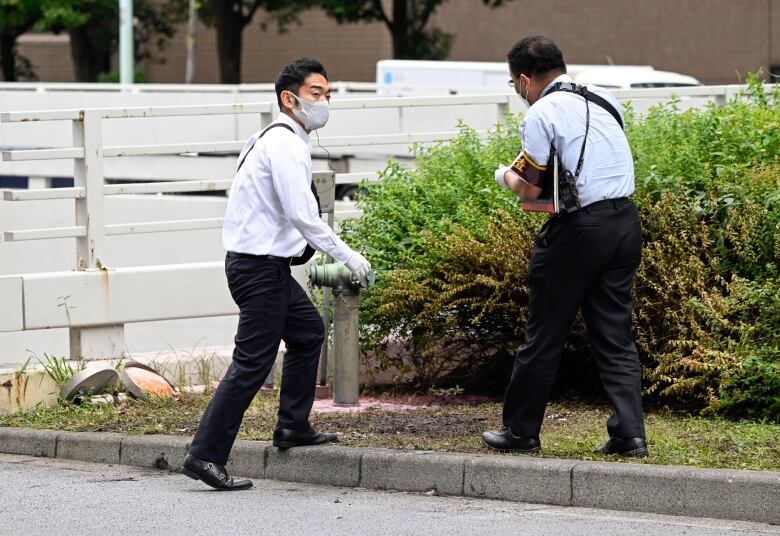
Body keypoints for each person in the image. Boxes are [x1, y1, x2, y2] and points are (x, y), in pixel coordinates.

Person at [182, 58, 373, 490]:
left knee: (307, 332)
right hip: (258, 268)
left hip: (262, 266)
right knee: (251, 364)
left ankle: (292, 426)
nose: (324, 102)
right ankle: (205, 455)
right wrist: (348, 256)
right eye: (316, 94)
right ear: (290, 99)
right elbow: (303, 215)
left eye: (327, 94)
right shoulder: (285, 144)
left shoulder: (269, 137)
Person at [482, 36, 648, 458]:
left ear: (524, 80)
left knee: (544, 333)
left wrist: (503, 174)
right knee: (614, 332)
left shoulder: (543, 112)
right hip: (625, 222)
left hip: (579, 230)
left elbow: (530, 186)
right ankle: (630, 433)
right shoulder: (604, 98)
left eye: (515, 86)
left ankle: (520, 432)